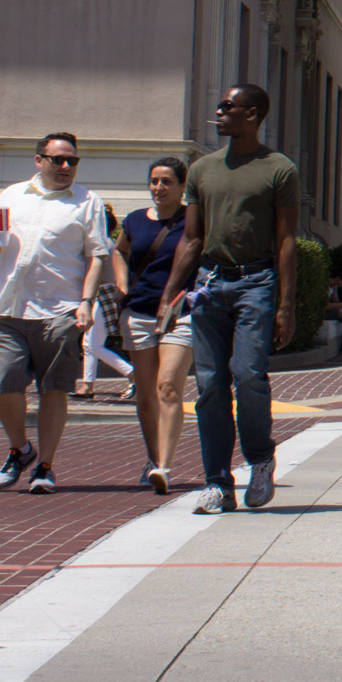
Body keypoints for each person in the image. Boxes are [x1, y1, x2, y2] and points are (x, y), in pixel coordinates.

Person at [160, 85, 301, 515]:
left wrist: (286, 304)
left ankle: (260, 460)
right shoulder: (202, 170)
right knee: (209, 387)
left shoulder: (279, 169)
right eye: (219, 106)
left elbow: (286, 239)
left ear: (252, 114)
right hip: (208, 285)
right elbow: (191, 237)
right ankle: (218, 484)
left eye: (227, 107)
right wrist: (169, 296)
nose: (218, 114)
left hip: (255, 283)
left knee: (248, 375)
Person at [0, 134, 114, 494]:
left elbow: (96, 255)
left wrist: (86, 302)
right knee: (2, 382)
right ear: (39, 161)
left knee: (53, 390)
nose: (66, 167)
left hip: (59, 311)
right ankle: (20, 449)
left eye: (72, 161)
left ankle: (45, 467)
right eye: (57, 160)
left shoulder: (88, 202)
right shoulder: (11, 195)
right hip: (10, 308)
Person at [112, 157, 196, 493]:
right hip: (139, 314)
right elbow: (118, 251)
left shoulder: (193, 219)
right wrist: (122, 286)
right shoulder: (134, 220)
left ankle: (164, 465)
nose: (159, 188)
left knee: (168, 387)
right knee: (145, 396)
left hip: (180, 315)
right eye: (154, 181)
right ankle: (153, 456)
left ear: (181, 187)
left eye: (166, 182)